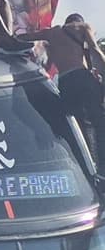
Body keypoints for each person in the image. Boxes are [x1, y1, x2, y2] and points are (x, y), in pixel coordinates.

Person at [18, 13, 105, 169]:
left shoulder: (52, 33)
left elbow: (28, 41)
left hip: (66, 82)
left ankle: (88, 165)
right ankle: (102, 165)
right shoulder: (83, 27)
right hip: (82, 76)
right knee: (99, 121)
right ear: (79, 21)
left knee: (79, 125)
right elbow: (95, 50)